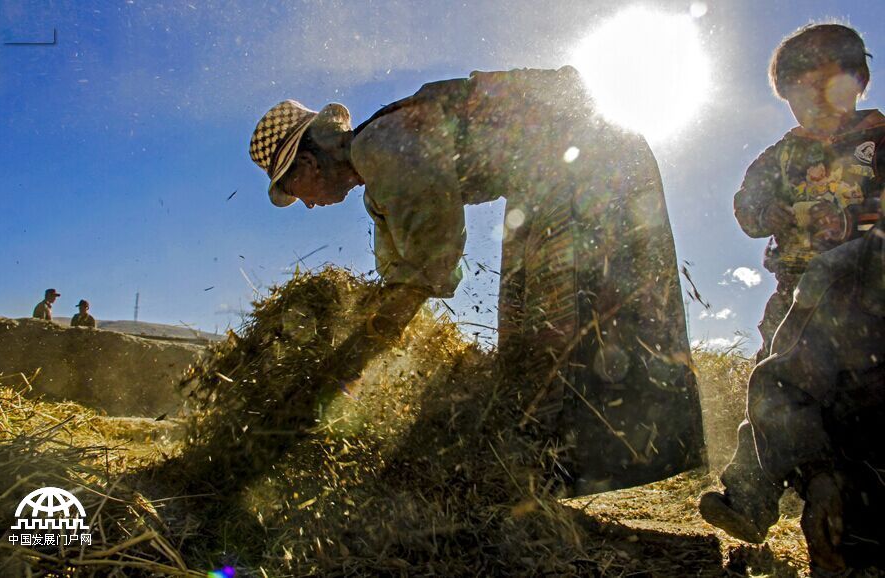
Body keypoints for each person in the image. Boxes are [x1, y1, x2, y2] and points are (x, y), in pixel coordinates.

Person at [249, 66, 704, 494]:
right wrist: (367, 329)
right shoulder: (377, 188)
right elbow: (399, 277)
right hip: (549, 175)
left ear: (307, 164)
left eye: (292, 191)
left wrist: (344, 367)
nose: (306, 205)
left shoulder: (382, 144)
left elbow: (431, 256)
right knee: (523, 319)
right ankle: (544, 469)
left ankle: (580, 459)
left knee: (555, 318)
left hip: (587, 159)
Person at [701, 23, 885, 543]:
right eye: (797, 96)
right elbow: (746, 205)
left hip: (867, 298)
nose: (812, 105)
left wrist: (858, 231)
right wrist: (767, 209)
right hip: (795, 292)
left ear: (858, 81)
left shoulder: (879, 138)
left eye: (825, 86)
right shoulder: (782, 155)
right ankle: (751, 496)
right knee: (775, 386)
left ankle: (843, 516)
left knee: (849, 407)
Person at [747, 214, 884, 574]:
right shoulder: (841, 274)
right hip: (865, 488)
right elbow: (783, 386)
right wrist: (817, 476)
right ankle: (746, 497)